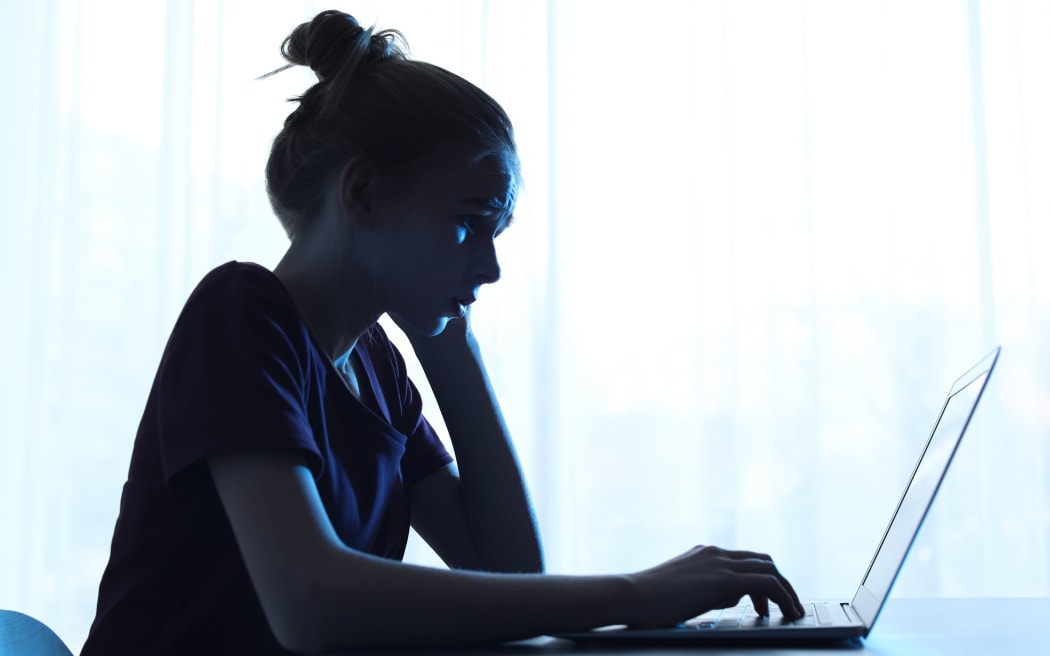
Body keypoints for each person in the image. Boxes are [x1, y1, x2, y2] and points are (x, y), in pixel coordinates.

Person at [82, 9, 804, 654]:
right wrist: (637, 593)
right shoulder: (242, 316)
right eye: (470, 222)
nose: (489, 267)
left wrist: (449, 345)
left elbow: (508, 573)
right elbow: (312, 606)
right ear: (362, 194)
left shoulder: (376, 369)